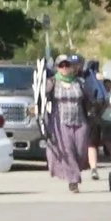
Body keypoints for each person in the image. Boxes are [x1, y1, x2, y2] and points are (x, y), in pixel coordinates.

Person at [42, 54, 93, 191]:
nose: (64, 68)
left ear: (72, 67)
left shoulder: (80, 82)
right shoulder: (52, 82)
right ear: (57, 68)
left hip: (80, 120)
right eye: (61, 65)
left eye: (67, 65)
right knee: (67, 150)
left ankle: (75, 171)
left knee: (80, 151)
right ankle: (73, 180)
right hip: (60, 122)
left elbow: (90, 99)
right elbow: (42, 98)